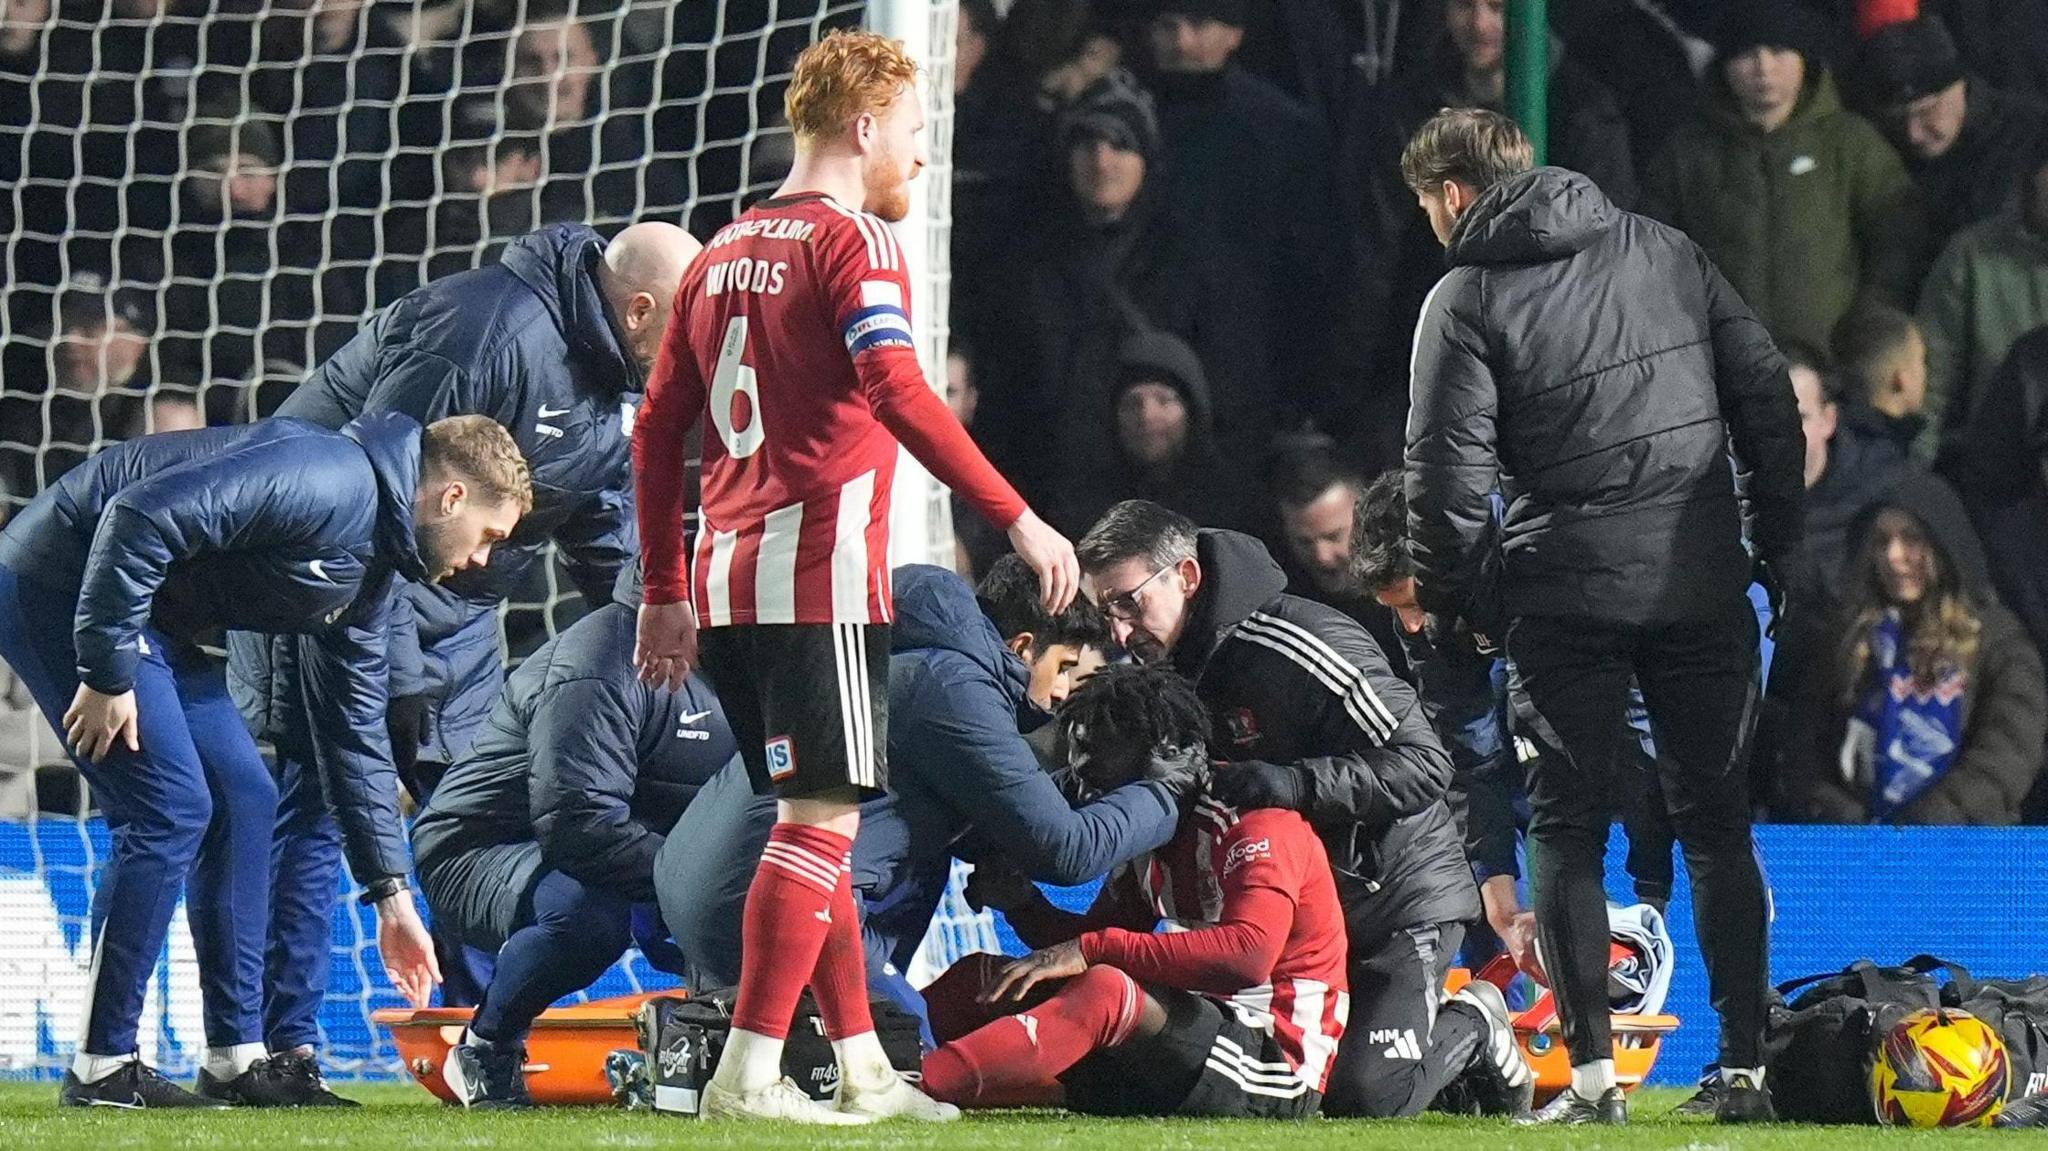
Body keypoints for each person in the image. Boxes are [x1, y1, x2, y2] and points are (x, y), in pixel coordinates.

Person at [630, 29, 1077, 1124]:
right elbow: (896, 386)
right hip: (819, 574)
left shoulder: (722, 249)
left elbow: (655, 433)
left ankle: (866, 1066)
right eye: (918, 134)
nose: (922, 157)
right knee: (819, 824)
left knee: (807, 820)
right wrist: (1014, 516)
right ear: (864, 126)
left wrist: (661, 586)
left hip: (727, 582)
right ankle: (747, 1069)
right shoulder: (855, 241)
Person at [1402, 107, 1804, 1124]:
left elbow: (1442, 487)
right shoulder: (1663, 248)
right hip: (1700, 575)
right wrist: (1769, 542)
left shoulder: (1463, 297)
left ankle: (1589, 1081)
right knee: (1716, 825)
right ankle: (1747, 1070)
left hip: (1564, 592)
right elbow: (1764, 393)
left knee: (1566, 829)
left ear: (1451, 195)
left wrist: (1467, 608)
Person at [226, 220, 696, 1075]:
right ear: (639, 309)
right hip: (332, 591)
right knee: (321, 803)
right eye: (687, 325)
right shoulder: (485, 330)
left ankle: (479, 1038)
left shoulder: (609, 385)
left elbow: (603, 528)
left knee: (476, 817)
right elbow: (380, 493)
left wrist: (660, 633)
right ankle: (279, 1048)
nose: (695, 352)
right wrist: (398, 671)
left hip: (461, 618)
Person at [0, 412, 529, 1107]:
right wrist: (105, 669)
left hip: (145, 616)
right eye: (489, 536)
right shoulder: (330, 478)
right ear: (452, 498)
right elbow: (138, 516)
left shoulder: (370, 574)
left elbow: (352, 736)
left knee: (248, 794)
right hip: (63, 581)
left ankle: (235, 1058)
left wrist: (390, 895)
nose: (484, 559)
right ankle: (102, 1064)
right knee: (170, 808)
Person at [1073, 501, 1529, 1119]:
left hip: (1396, 899)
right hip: (1307, 922)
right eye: (1106, 612)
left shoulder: (1298, 643)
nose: (1120, 631)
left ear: (1186, 576)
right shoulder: (1163, 666)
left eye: (1129, 603)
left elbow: (1424, 764)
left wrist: (1292, 784)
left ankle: (1476, 1017)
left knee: (1365, 1097)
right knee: (1307, 1089)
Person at [658, 558, 1174, 1040]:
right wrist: (1166, 791)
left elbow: (999, 812)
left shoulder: (901, 658)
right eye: (1064, 668)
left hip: (702, 883)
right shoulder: (951, 686)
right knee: (908, 1051)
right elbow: (1064, 852)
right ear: (1021, 646)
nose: (1063, 695)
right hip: (763, 901)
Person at [918, 663, 1348, 1118]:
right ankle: (870, 1060)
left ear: (1164, 754)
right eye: (1080, 763)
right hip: (1179, 1042)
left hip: (1275, 1061)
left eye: (1100, 767)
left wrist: (1094, 947)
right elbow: (1101, 937)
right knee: (983, 978)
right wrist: (1024, 906)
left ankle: (917, 1087)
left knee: (1106, 989)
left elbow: (1247, 956)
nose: (1083, 784)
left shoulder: (1258, 824)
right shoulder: (1153, 830)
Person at [410, 563, 739, 1109]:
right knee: (588, 916)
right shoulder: (598, 666)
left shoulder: (741, 660)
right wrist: (691, 882)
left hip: (629, 849)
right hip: (477, 848)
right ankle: (487, 1046)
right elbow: (577, 822)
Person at [1641, 0, 1925, 356]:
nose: (1764, 68)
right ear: (1724, 64)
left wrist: (1869, 323)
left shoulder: (1851, 143)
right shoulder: (1685, 154)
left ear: (1804, 59)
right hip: (1721, 365)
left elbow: (1897, 239)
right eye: (1746, 54)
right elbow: (1650, 255)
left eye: (1779, 50)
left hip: (1834, 366)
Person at [1773, 475, 2045, 825]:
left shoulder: (1997, 642)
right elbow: (1804, 748)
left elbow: (2009, 753)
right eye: (1882, 541)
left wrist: (1925, 822)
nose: (1894, 556)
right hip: (1850, 847)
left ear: (1945, 547)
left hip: (1967, 851)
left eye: (1912, 539)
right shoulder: (1848, 636)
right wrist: (1841, 815)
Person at [1849, 16, 2048, 254]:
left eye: (1926, 111)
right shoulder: (1876, 151)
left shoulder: (2033, 135)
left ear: (1959, 86)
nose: (1913, 134)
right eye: (1897, 119)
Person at [1915, 134, 2048, 467]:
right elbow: (1931, 386)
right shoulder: (1972, 256)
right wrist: (1913, 486)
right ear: (2034, 177)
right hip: (2004, 475)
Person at [1056, 330, 1259, 537]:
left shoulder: (1234, 505)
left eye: (1164, 400)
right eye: (1132, 403)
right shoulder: (1083, 508)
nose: (1147, 416)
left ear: (1192, 412)